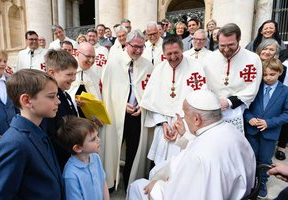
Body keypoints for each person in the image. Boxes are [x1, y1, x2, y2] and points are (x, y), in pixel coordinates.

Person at [127, 90, 256, 200]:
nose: (183, 117)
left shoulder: (198, 158)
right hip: (236, 194)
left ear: (196, 119)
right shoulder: (231, 130)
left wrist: (156, 187)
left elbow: (180, 195)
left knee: (137, 186)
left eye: (185, 114)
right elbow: (204, 144)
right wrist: (184, 134)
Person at [0, 69, 64, 199]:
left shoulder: (36, 130)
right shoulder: (14, 144)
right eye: (51, 96)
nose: (58, 101)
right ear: (27, 100)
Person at [140, 34, 207, 165]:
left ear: (182, 50)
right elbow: (152, 102)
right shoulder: (159, 70)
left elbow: (200, 99)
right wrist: (163, 123)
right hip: (163, 125)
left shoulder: (196, 68)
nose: (173, 57)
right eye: (168, 54)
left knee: (181, 164)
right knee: (159, 166)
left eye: (176, 52)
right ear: (163, 53)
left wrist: (181, 123)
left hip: (186, 126)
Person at [101, 30, 153, 190]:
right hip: (117, 114)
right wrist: (121, 105)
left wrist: (142, 106)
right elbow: (107, 91)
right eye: (134, 46)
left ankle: (130, 182)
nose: (138, 50)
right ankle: (109, 181)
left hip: (137, 115)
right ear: (126, 44)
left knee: (134, 149)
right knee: (113, 147)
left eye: (141, 47)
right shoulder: (113, 62)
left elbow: (150, 91)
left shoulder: (147, 65)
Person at [203, 23, 262, 133]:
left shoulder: (252, 59)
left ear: (238, 39)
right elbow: (203, 84)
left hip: (236, 110)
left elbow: (251, 89)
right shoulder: (208, 58)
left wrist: (228, 102)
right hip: (211, 110)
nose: (226, 49)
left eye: (230, 45)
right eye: (222, 45)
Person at [244, 58, 288, 198]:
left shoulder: (285, 91)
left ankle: (261, 183)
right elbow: (245, 107)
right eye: (265, 74)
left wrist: (269, 123)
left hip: (270, 134)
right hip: (252, 132)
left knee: (265, 160)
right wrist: (249, 117)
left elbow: (286, 114)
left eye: (272, 74)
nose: (268, 78)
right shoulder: (255, 87)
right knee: (250, 158)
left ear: (280, 73)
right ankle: (249, 182)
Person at [41, 49, 78, 172]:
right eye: (69, 74)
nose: (73, 78)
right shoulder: (49, 100)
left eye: (75, 74)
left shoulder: (63, 94)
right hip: (60, 160)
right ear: (52, 73)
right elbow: (50, 135)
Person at [56, 116, 109, 200]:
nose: (98, 140)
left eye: (97, 136)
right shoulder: (71, 175)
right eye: (93, 139)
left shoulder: (95, 157)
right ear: (78, 148)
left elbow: (103, 182)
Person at [0, 47, 18, 157]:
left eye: (4, 61)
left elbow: (17, 106)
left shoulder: (10, 81)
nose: (2, 64)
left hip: (13, 135)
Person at [68, 42, 102, 118]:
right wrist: (73, 101)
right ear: (77, 53)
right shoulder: (67, 70)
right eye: (88, 56)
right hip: (72, 118)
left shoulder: (94, 74)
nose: (91, 60)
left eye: (93, 57)